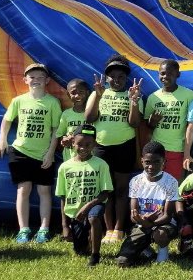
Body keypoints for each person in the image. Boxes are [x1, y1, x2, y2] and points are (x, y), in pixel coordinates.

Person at [0, 63, 61, 244]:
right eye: (32, 77)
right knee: (23, 190)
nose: (36, 80)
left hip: (43, 154)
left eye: (40, 77)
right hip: (20, 151)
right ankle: (23, 229)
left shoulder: (53, 102)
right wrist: (2, 140)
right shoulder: (18, 101)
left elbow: (56, 130)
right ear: (25, 80)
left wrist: (50, 153)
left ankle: (44, 229)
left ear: (47, 81)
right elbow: (7, 121)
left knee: (44, 190)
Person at [85, 55, 143, 244]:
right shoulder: (98, 93)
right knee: (106, 190)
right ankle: (107, 229)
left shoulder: (133, 94)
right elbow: (90, 118)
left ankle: (118, 229)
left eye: (121, 77)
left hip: (125, 146)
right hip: (101, 147)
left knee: (120, 190)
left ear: (126, 78)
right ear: (106, 77)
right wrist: (99, 95)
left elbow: (134, 123)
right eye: (112, 76)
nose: (116, 80)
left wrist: (134, 101)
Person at [56, 124, 113, 266]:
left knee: (93, 218)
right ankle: (88, 240)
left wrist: (87, 206)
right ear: (73, 142)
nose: (83, 148)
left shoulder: (101, 164)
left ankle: (95, 255)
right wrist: (65, 225)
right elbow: (63, 196)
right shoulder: (65, 167)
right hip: (75, 212)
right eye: (79, 144)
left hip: (95, 204)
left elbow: (105, 193)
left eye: (88, 144)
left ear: (94, 144)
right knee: (80, 250)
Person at [116, 141, 179, 267]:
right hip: (142, 224)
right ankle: (146, 250)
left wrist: (151, 223)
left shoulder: (171, 182)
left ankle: (163, 252)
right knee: (122, 262)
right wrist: (140, 220)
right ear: (142, 161)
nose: (151, 166)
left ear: (164, 162)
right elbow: (133, 214)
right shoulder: (136, 181)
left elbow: (168, 215)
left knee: (160, 234)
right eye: (147, 162)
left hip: (163, 224)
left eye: (156, 162)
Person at [144, 60, 193, 181]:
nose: (165, 76)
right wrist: (153, 122)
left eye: (170, 73)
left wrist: (187, 151)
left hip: (177, 149)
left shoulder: (189, 95)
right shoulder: (153, 97)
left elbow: (191, 125)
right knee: (156, 185)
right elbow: (147, 125)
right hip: (156, 151)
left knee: (174, 185)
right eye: (162, 73)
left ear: (178, 74)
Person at [55, 78, 91, 240]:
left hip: (89, 162)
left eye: (81, 92)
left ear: (88, 93)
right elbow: (60, 137)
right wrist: (65, 140)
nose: (77, 95)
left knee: (89, 193)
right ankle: (66, 226)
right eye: (73, 92)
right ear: (68, 95)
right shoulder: (66, 114)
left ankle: (91, 226)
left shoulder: (92, 112)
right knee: (67, 194)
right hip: (70, 161)